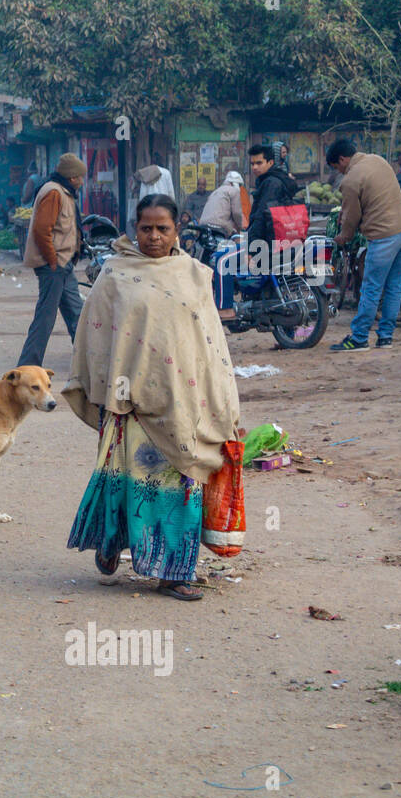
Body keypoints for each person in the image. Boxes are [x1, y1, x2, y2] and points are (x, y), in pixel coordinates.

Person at [63, 194, 241, 601]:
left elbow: (211, 346)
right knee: (124, 481)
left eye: (163, 228)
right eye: (146, 228)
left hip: (182, 405)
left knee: (180, 484)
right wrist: (109, 391)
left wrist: (222, 400)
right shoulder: (115, 275)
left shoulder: (195, 275)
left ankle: (173, 572)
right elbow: (93, 336)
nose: (155, 237)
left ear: (178, 228)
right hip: (129, 407)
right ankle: (110, 545)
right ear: (134, 228)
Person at [326, 139, 401, 351]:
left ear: (342, 159)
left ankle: (358, 338)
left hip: (385, 237)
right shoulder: (378, 160)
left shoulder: (350, 180)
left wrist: (343, 237)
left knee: (371, 287)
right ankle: (385, 337)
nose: (339, 171)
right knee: (394, 287)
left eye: (336, 167)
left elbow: (351, 218)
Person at [17, 152, 86, 369]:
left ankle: (89, 361)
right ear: (73, 177)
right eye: (81, 177)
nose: (83, 181)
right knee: (45, 318)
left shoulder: (63, 191)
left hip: (64, 264)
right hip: (54, 265)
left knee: (77, 314)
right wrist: (52, 260)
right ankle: (28, 366)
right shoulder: (54, 193)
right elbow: (41, 229)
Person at [246, 143, 298, 266]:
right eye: (252, 164)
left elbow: (261, 216)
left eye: (259, 163)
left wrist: (252, 248)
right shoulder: (270, 179)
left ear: (270, 162)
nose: (254, 167)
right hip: (276, 242)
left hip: (269, 244)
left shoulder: (271, 183)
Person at [196, 171, 246, 235]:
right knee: (241, 240)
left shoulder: (215, 192)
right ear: (235, 184)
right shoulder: (233, 191)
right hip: (219, 227)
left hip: (203, 226)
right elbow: (237, 213)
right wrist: (241, 227)